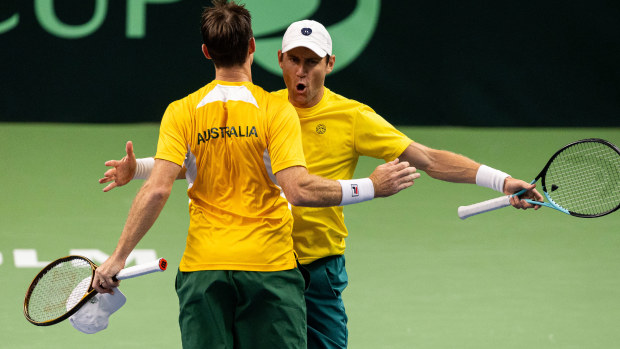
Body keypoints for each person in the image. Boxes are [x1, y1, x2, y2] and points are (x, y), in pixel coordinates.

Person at [99, 19, 542, 349]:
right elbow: (205, 161)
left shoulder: (353, 117)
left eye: (312, 62)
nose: (302, 72)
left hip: (318, 266)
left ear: (329, 63)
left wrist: (502, 181)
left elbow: (427, 159)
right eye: (295, 60)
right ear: (277, 58)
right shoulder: (264, 107)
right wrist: (138, 170)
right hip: (267, 265)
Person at [92, 5, 418, 349]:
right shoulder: (277, 110)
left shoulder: (181, 111)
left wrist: (118, 257)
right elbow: (298, 189)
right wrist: (371, 186)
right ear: (251, 47)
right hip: (270, 269)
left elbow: (158, 188)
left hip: (205, 269)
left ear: (206, 52)